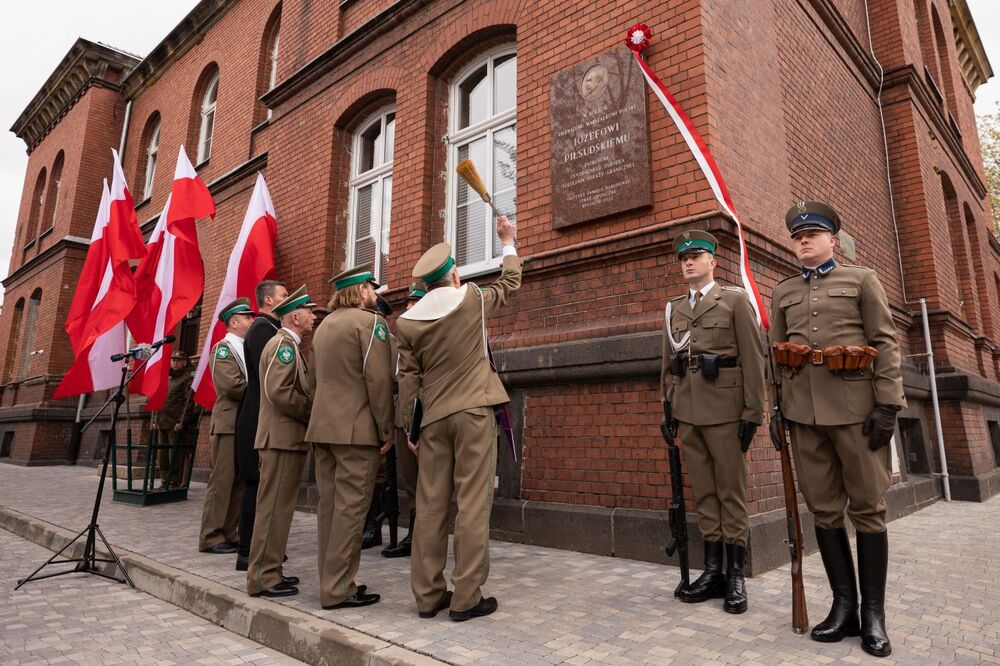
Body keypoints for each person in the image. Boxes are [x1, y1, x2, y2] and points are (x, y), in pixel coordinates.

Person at [769, 201, 905, 658]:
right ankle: (843, 607)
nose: (803, 240)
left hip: (857, 413)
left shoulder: (861, 280)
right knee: (824, 511)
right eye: (797, 235)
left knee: (867, 509)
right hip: (805, 419)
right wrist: (776, 408)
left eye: (813, 234)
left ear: (832, 239)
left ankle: (873, 616)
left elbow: (884, 341)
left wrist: (888, 403)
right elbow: (778, 354)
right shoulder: (784, 290)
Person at [396, 215, 521, 621]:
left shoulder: (407, 323)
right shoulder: (470, 300)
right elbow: (509, 283)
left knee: (430, 505)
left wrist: (410, 428)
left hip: (432, 420)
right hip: (472, 413)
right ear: (451, 275)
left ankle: (429, 595)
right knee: (472, 503)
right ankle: (467, 597)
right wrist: (507, 241)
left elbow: (408, 381)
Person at [661, 230, 765, 614]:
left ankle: (735, 575)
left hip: (725, 412)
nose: (688, 262)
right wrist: (668, 412)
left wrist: (753, 412)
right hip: (688, 413)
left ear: (712, 262)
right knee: (704, 492)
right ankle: (712, 571)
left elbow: (755, 359)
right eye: (683, 258)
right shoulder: (673, 309)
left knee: (730, 492)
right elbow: (668, 367)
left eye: (696, 255)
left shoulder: (734, 301)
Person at [306, 265, 394, 609]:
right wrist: (386, 429)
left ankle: (331, 580)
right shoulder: (371, 323)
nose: (376, 293)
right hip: (357, 431)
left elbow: (313, 382)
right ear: (360, 291)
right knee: (351, 511)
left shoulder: (323, 326)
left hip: (324, 429)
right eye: (372, 288)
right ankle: (339, 588)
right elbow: (380, 381)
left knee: (328, 509)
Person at [246, 285, 316, 598]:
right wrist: (310, 411)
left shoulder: (288, 343)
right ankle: (262, 577)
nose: (314, 316)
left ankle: (271, 570)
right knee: (273, 510)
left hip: (283, 439)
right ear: (296, 316)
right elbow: (279, 392)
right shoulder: (283, 345)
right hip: (281, 439)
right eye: (309, 312)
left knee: (278, 509)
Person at [234, 280, 288, 571]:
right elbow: (271, 379)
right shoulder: (264, 330)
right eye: (283, 295)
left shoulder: (267, 329)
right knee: (256, 485)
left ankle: (256, 548)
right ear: (268, 300)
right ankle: (249, 551)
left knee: (258, 486)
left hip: (257, 415)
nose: (287, 298)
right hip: (257, 418)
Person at [198, 297, 255, 554]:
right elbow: (231, 385)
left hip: (240, 423)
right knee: (222, 481)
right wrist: (260, 391)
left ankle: (229, 532)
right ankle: (211, 536)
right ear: (233, 322)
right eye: (247, 317)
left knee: (238, 481)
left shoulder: (242, 347)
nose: (252, 320)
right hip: (228, 424)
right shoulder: (224, 349)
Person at [381, 282, 426, 559]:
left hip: (422, 416)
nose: (408, 308)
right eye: (407, 304)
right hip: (402, 416)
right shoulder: (399, 342)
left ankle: (423, 534)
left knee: (426, 480)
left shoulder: (428, 336)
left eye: (414, 304)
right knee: (409, 480)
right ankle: (413, 531)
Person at [156, 350, 197, 488]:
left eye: (178, 360)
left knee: (174, 454)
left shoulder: (187, 378)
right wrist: (157, 419)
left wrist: (182, 421)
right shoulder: (169, 378)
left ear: (184, 362)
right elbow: (161, 400)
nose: (175, 362)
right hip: (163, 421)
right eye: (173, 360)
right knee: (162, 455)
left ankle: (173, 481)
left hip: (175, 423)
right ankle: (164, 480)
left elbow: (188, 402)